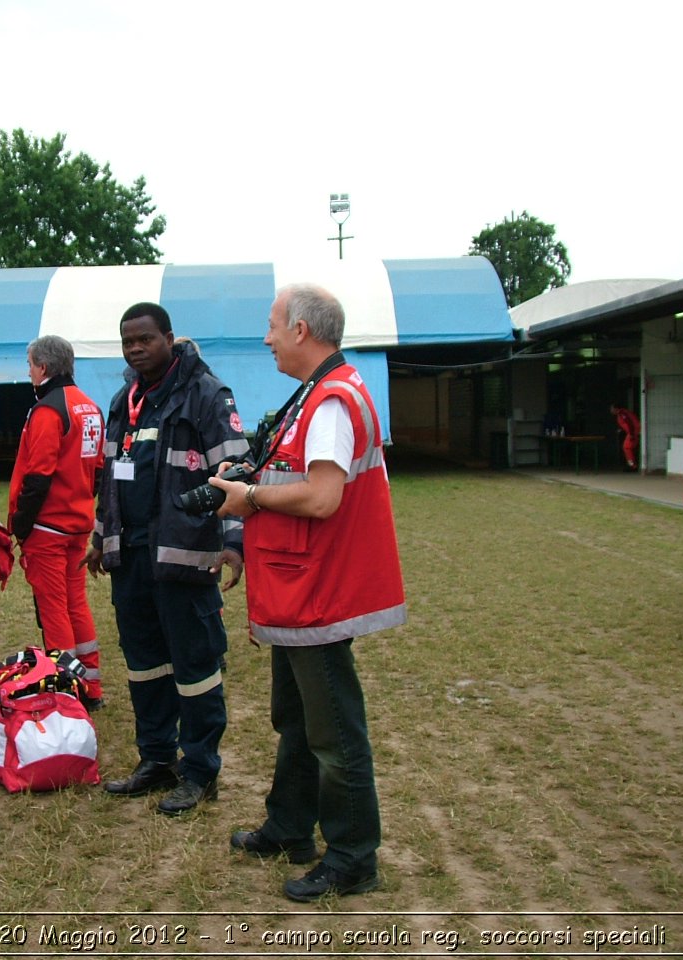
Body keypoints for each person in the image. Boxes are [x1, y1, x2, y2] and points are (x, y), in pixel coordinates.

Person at [209, 283, 406, 902]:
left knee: (334, 731)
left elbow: (323, 497)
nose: (265, 338)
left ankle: (352, 856)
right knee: (295, 718)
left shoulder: (328, 403)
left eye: (271, 326)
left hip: (315, 592)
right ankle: (290, 826)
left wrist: (252, 497)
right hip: (299, 590)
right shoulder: (319, 394)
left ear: (300, 331)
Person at [84, 304, 249, 815]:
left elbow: (238, 471)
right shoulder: (121, 400)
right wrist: (98, 536)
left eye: (145, 339)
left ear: (169, 339)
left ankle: (200, 771)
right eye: (127, 341)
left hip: (184, 555)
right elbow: (108, 480)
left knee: (196, 668)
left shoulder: (206, 395)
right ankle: (156, 759)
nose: (135, 349)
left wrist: (234, 542)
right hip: (130, 558)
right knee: (144, 667)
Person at [9, 335, 106, 706]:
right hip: (78, 523)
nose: (29, 372)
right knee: (75, 603)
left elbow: (38, 476)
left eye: (30, 365)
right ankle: (90, 687)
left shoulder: (49, 411)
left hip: (48, 527)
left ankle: (65, 692)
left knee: (54, 609)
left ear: (43, 368)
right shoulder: (89, 407)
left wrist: (21, 524)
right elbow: (97, 469)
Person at [610, 403, 640, 470]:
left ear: (616, 409)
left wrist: (632, 434)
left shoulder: (622, 413)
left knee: (627, 448)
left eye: (612, 409)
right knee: (629, 448)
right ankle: (632, 464)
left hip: (633, 432)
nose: (611, 410)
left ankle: (632, 465)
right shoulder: (622, 413)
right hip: (633, 432)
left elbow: (629, 423)